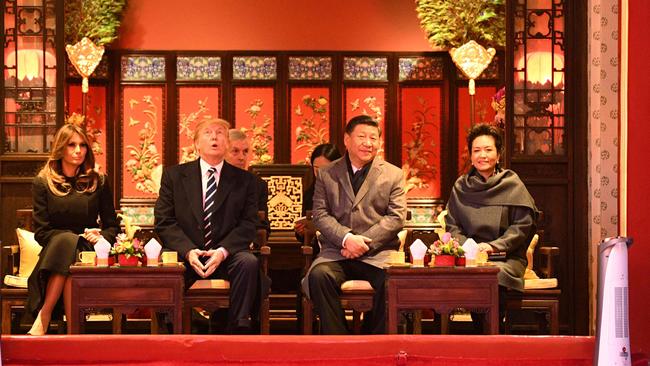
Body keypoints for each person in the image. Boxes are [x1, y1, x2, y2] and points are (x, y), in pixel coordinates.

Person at [303, 115, 406, 334]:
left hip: (378, 255)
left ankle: (373, 344)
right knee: (318, 276)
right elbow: (320, 214)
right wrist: (347, 239)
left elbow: (396, 217)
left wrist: (363, 243)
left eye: (373, 138)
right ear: (347, 140)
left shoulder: (393, 174)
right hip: (337, 252)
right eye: (361, 137)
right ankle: (340, 344)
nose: (368, 143)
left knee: (392, 283)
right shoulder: (327, 173)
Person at [155, 118, 260, 332]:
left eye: (221, 133)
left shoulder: (246, 181)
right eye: (208, 133)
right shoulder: (174, 176)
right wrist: (188, 251)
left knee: (248, 263)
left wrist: (222, 252)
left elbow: (248, 224)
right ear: (196, 144)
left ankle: (238, 330)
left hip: (226, 255)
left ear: (227, 143)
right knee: (168, 269)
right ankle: (176, 333)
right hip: (187, 253)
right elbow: (164, 221)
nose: (214, 137)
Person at [26, 124, 120, 335]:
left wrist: (100, 235)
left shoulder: (99, 181)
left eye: (83, 145)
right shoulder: (43, 182)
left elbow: (112, 226)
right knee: (67, 245)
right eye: (72, 145)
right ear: (61, 148)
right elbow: (41, 232)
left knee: (71, 249)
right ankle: (73, 332)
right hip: (54, 251)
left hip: (88, 249)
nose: (78, 150)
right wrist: (70, 239)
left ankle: (45, 314)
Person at [445, 123, 538, 295]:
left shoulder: (512, 183)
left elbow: (521, 226)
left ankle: (495, 322)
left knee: (493, 275)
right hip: (470, 257)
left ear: (498, 154)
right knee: (469, 275)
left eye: (488, 150)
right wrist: (472, 248)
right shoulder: (461, 186)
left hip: (506, 257)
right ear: (471, 156)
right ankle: (481, 322)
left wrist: (492, 247)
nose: (482, 155)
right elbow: (452, 226)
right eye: (477, 150)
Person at [226, 128, 270, 245]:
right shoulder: (209, 180)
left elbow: (263, 225)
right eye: (235, 151)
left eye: (245, 152)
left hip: (243, 246)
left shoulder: (257, 184)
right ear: (222, 152)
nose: (242, 157)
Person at [294, 143, 342, 246]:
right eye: (316, 169)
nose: (320, 173)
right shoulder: (310, 193)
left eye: (325, 169)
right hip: (319, 248)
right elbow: (304, 237)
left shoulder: (347, 190)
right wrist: (301, 232)